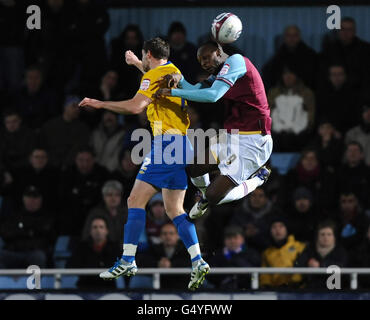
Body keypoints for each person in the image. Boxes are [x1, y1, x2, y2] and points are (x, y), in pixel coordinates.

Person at [79, 37, 209, 290]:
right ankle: (198, 260)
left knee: (134, 201)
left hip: (166, 145)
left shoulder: (151, 77)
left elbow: (136, 106)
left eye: (143, 56)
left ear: (149, 54)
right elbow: (154, 74)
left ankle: (128, 258)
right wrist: (138, 63)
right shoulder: (173, 70)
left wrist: (101, 104)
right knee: (174, 210)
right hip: (184, 145)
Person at [152, 40, 273, 219]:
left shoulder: (237, 61)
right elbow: (194, 90)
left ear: (218, 51)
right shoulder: (219, 74)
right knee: (193, 169)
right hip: (232, 137)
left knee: (215, 196)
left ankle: (258, 179)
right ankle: (204, 196)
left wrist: (174, 92)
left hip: (254, 142)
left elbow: (213, 96)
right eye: (201, 62)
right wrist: (180, 80)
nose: (205, 64)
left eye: (207, 58)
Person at [58, 147, 109, 236]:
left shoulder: (103, 174)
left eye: (88, 160)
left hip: (95, 218)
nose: (84, 164)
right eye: (81, 160)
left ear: (93, 160)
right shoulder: (67, 175)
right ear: (76, 160)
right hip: (71, 220)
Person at [0, 186, 55, 268]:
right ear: (24, 199)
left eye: (35, 197)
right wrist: (29, 232)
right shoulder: (15, 216)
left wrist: (21, 230)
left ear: (41, 199)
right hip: (14, 252)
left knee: (39, 257)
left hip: (35, 252)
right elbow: (5, 234)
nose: (31, 200)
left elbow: (48, 236)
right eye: (29, 197)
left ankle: (37, 281)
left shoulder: (47, 217)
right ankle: (4, 280)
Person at [268, 66, 315, 151]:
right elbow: (269, 114)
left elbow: (310, 116)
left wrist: (299, 129)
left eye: (291, 73)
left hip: (300, 134)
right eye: (285, 74)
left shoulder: (306, 93)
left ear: (297, 75)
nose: (288, 77)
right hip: (277, 134)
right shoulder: (273, 93)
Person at [67, 216, 121, 289]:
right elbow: (71, 265)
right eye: (95, 227)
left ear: (106, 231)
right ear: (90, 231)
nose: (98, 230)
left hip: (108, 288)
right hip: (85, 287)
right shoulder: (81, 248)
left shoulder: (115, 248)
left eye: (101, 227)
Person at [39, 95, 90, 168]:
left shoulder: (82, 128)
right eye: (74, 106)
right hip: (51, 165)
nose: (77, 110)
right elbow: (44, 145)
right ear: (65, 107)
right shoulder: (50, 126)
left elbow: (80, 148)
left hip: (73, 167)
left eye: (79, 107)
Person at [262, 25, 318, 90]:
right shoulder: (278, 56)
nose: (292, 39)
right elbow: (268, 75)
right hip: (281, 93)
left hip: (304, 93)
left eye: (295, 35)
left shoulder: (310, 56)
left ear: (299, 37)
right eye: (288, 35)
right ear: (284, 38)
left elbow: (314, 78)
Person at [295, 220, 348, 289]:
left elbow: (343, 267)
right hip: (311, 291)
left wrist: (320, 265)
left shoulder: (340, 252)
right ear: (317, 236)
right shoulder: (310, 249)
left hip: (335, 292)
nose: (325, 237)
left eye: (329, 234)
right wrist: (307, 263)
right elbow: (297, 264)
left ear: (334, 237)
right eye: (322, 234)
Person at [136, 222, 190, 289]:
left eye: (171, 233)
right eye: (164, 234)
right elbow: (142, 261)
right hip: (160, 287)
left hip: (182, 287)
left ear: (177, 236)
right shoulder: (154, 248)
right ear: (160, 236)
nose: (168, 236)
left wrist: (171, 264)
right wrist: (158, 264)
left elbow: (189, 262)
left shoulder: (186, 249)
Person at [207, 225, 261, 289]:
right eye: (229, 238)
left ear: (242, 239)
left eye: (235, 237)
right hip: (220, 292)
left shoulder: (252, 254)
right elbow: (211, 277)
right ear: (224, 240)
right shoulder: (217, 255)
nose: (232, 241)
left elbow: (255, 275)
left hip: (247, 292)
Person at [260, 217, 306, 288]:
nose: (278, 230)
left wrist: (295, 283)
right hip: (276, 290)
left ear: (286, 229)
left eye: (281, 226)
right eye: (274, 227)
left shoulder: (299, 247)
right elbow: (265, 276)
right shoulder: (267, 253)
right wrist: (266, 286)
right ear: (270, 231)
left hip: (298, 289)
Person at [229, 187, 277, 252]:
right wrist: (244, 233)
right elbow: (232, 230)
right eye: (253, 195)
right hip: (242, 251)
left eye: (260, 196)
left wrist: (259, 232)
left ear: (266, 199)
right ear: (249, 198)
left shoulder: (274, 213)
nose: (257, 199)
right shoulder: (240, 212)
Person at [83, 180, 128, 245]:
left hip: (123, 249)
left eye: (117, 195)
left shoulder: (127, 213)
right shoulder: (95, 213)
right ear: (104, 197)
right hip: (101, 250)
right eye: (109, 195)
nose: (113, 198)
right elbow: (86, 235)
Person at [337, 142, 370, 207]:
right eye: (350, 151)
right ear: (346, 154)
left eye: (356, 150)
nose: (352, 153)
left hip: (364, 208)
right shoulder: (339, 171)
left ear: (362, 155)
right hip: (342, 207)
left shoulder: (368, 172)